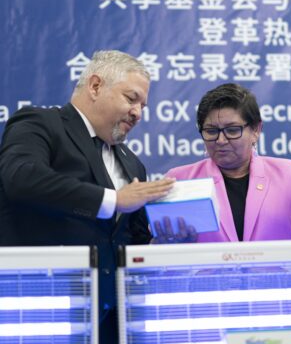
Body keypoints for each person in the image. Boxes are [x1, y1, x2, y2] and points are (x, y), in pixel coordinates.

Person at [0, 50, 189, 342]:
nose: (138, 113)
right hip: (45, 314)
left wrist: (160, 242)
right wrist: (113, 201)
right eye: (131, 98)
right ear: (96, 85)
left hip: (114, 325)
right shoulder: (40, 124)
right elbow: (22, 178)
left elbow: (132, 241)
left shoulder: (132, 163)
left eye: (143, 105)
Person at [160, 83, 291, 242]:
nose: (220, 140)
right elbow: (161, 253)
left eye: (232, 130)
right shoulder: (179, 180)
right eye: (211, 131)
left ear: (256, 130)